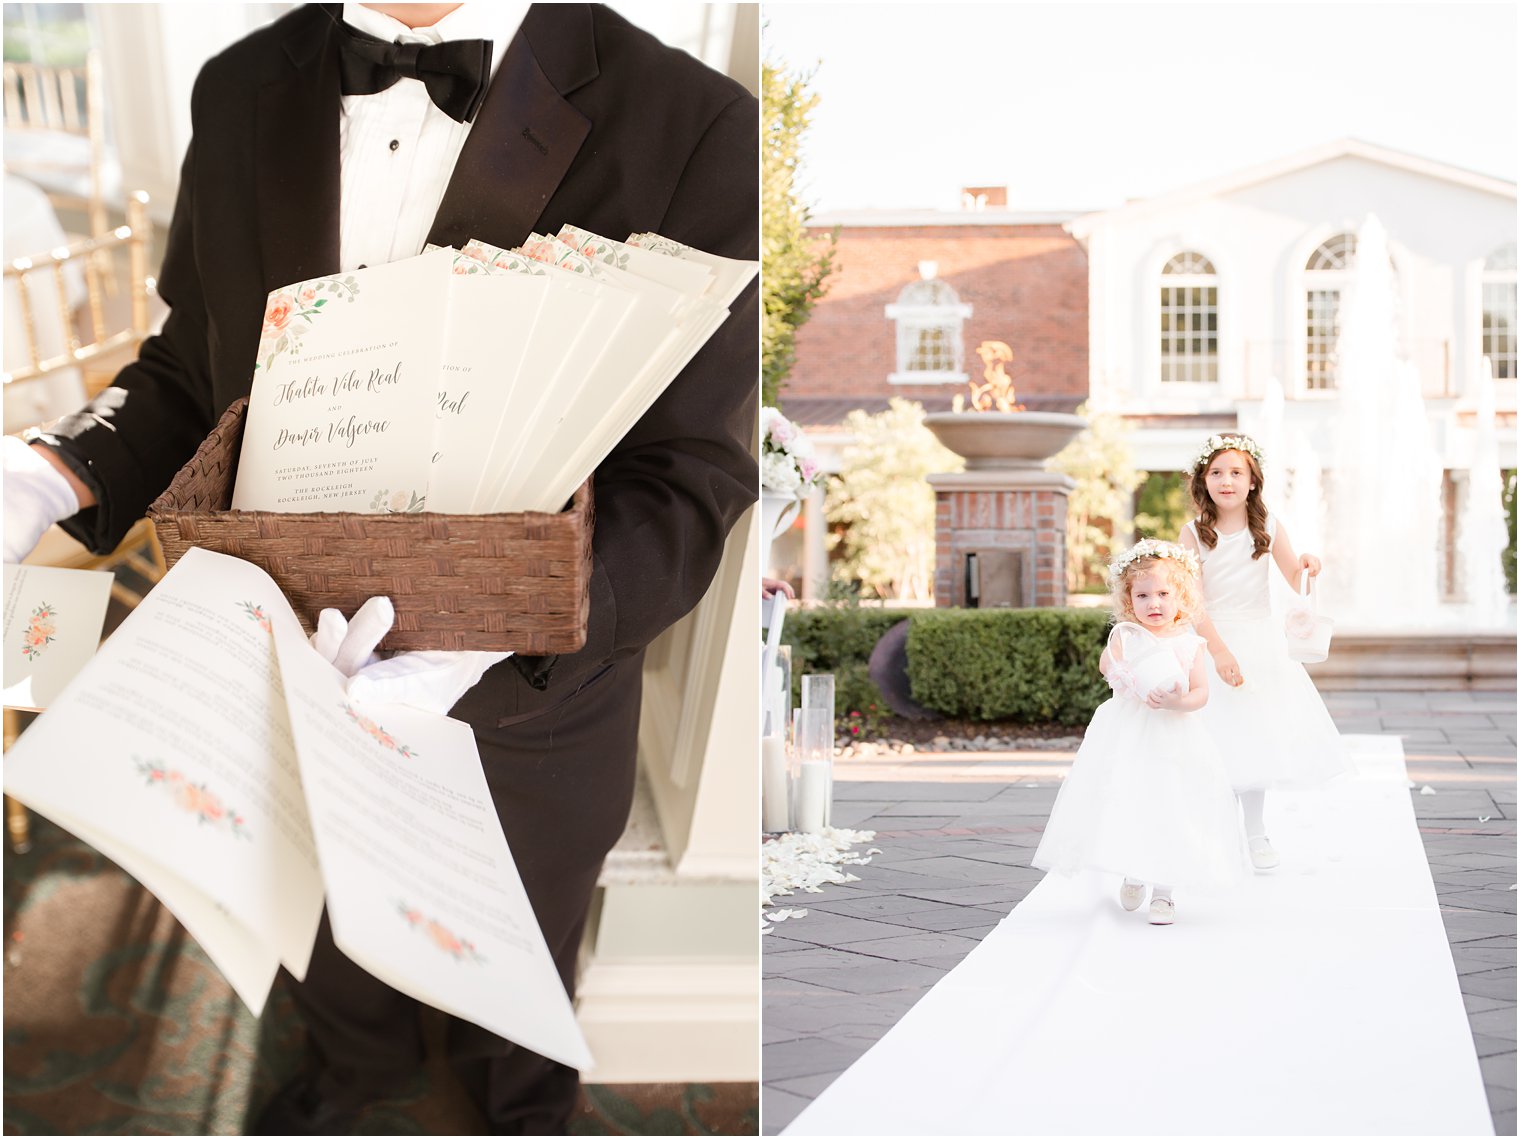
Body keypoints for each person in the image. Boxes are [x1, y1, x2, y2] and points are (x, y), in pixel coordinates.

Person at [2, 4, 758, 1134]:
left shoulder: (695, 122)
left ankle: (516, 1106)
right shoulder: (240, 83)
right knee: (321, 933)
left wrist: (502, 625)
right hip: (272, 658)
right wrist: (50, 469)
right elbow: (186, 363)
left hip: (523, 711)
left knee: (517, 971)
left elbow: (690, 475)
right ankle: (354, 1077)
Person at [1031, 540, 1249, 925]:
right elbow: (1107, 666)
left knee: (1171, 804)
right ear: (1129, 600)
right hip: (1130, 733)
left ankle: (1164, 892)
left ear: (1180, 596)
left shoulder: (1189, 642)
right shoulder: (1125, 636)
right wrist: (1130, 679)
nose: (1155, 603)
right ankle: (1135, 870)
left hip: (1174, 736)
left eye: (1164, 594)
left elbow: (1200, 694)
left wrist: (1174, 702)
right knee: (1132, 798)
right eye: (1143, 595)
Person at [1177, 434, 1348, 873]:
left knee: (1253, 739)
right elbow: (1191, 600)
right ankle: (1211, 835)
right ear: (1204, 480)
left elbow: (1295, 579)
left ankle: (1256, 833)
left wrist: (1308, 564)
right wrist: (1217, 652)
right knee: (1211, 742)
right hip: (1212, 640)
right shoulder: (1193, 532)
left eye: (1236, 473)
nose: (1226, 480)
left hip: (1258, 640)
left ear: (1253, 482)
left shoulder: (1268, 525)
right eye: (1216, 472)